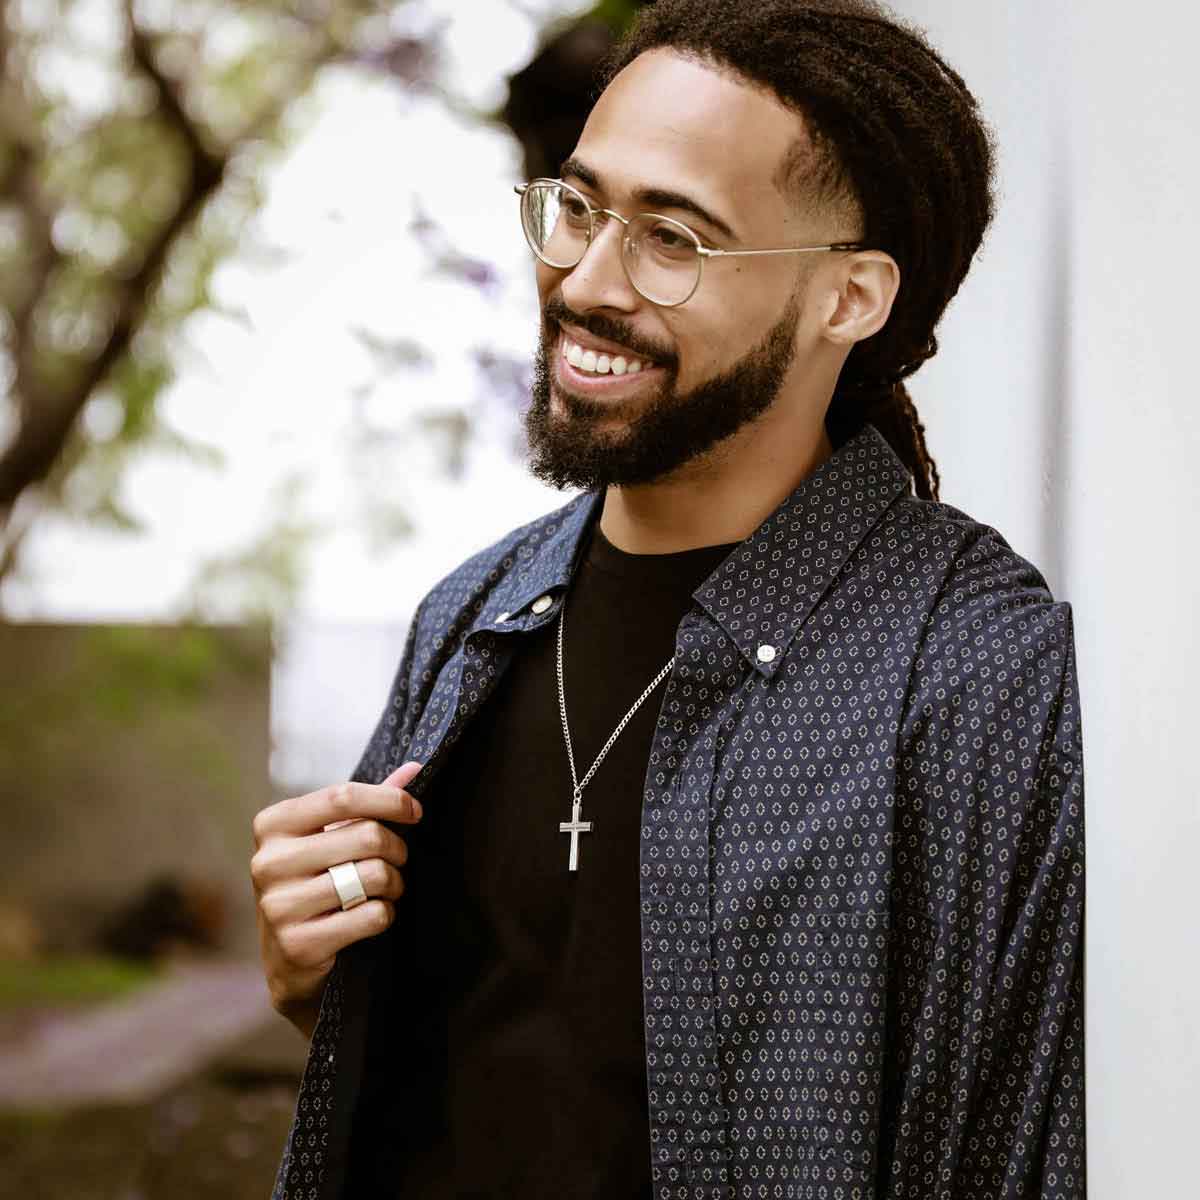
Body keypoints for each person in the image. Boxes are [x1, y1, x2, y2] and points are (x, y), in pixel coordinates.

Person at [254, 1, 1087, 1196]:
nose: (587, 280)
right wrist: (315, 989)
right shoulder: (473, 616)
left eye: (674, 240)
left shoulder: (964, 665)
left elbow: (998, 1151)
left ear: (846, 299)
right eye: (580, 207)